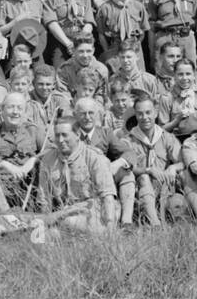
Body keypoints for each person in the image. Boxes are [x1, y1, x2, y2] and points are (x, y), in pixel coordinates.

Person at [34, 116, 118, 230]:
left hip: (94, 212)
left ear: (77, 135)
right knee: (40, 234)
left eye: (64, 135)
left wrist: (110, 225)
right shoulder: (48, 159)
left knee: (70, 222)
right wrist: (44, 223)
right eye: (57, 135)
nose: (60, 140)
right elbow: (43, 199)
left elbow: (107, 195)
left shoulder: (94, 157)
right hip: (61, 214)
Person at [114, 93, 183, 224]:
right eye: (140, 114)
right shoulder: (128, 140)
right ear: (136, 115)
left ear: (155, 113)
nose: (144, 117)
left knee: (178, 203)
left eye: (148, 112)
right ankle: (155, 223)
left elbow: (183, 162)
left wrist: (173, 167)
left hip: (164, 189)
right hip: (139, 192)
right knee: (144, 178)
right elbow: (127, 168)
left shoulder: (166, 137)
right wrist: (148, 170)